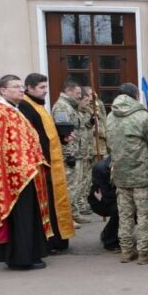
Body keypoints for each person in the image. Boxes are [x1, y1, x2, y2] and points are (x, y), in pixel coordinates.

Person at [0, 75, 52, 270]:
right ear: (3, 91)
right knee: (22, 216)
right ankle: (22, 258)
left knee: (29, 215)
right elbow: (7, 148)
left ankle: (30, 253)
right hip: (17, 176)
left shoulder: (13, 110)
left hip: (26, 172)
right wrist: (27, 168)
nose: (21, 90)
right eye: (15, 87)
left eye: (22, 87)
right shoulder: (1, 112)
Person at [105, 83, 148, 265]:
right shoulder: (142, 116)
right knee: (145, 214)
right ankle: (144, 252)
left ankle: (126, 251)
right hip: (141, 174)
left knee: (125, 214)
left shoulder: (110, 116)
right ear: (136, 96)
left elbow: (109, 144)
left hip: (120, 174)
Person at [19, 73, 75, 252]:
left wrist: (61, 136)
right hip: (41, 165)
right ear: (29, 88)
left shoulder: (38, 105)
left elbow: (45, 133)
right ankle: (49, 242)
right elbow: (32, 137)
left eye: (46, 87)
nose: (46, 91)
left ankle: (57, 240)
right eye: (42, 88)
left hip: (51, 163)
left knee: (54, 202)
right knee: (47, 205)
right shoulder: (25, 107)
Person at [52, 81, 92, 225]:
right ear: (68, 91)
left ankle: (74, 212)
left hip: (77, 152)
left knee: (76, 185)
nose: (79, 96)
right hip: (69, 153)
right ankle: (67, 216)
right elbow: (64, 133)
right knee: (69, 186)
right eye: (77, 94)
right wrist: (68, 154)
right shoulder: (62, 107)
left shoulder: (72, 107)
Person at [89, 156, 120, 252]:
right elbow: (103, 193)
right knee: (122, 209)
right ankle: (109, 239)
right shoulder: (101, 168)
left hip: (117, 197)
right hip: (102, 201)